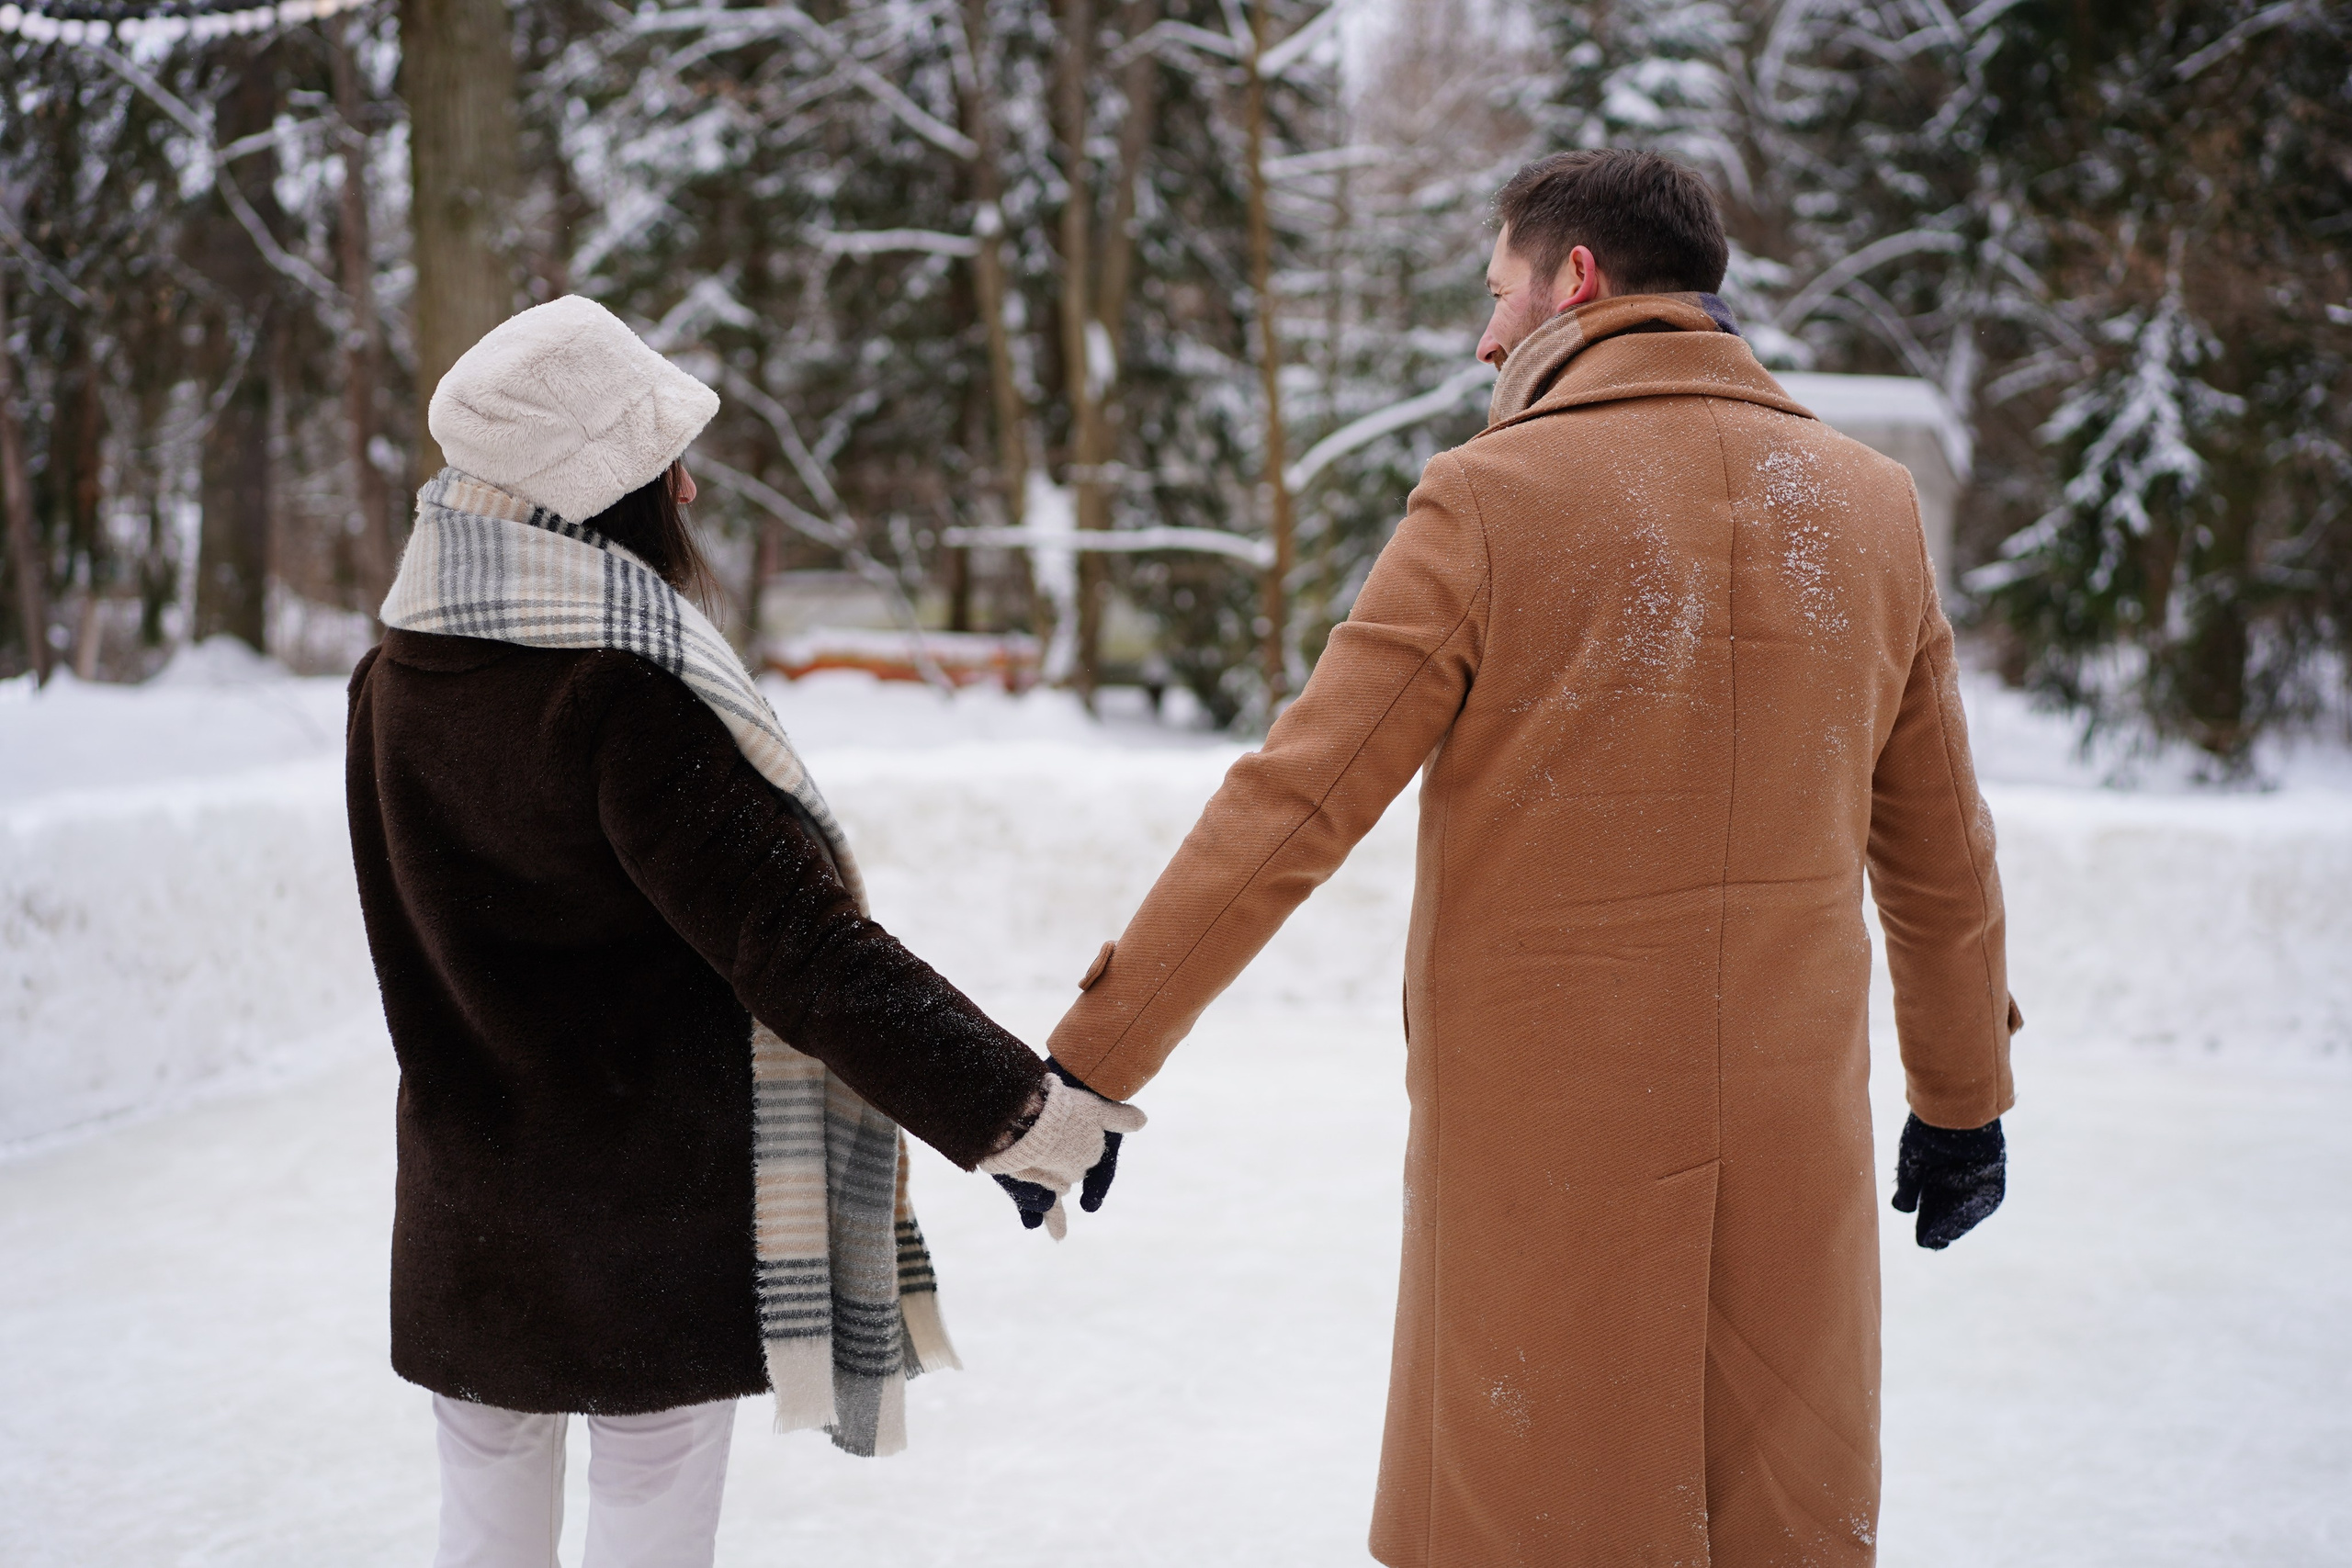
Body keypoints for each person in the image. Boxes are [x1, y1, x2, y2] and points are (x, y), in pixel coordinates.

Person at [1044, 149, 2018, 1568]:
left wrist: (1091, 1065)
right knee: (1777, 1529)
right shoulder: (1870, 509)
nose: (1483, 336)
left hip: (1547, 1162)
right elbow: (1942, 855)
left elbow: (1293, 804)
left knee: (1536, 1518)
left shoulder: (1494, 499)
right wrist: (1964, 1096)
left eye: (1498, 291)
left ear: (1577, 280)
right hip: (1792, 1147)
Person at [345, 295, 1141, 1568]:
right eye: (665, 462)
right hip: (643, 1235)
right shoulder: (622, 690)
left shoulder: (396, 675)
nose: (692, 491)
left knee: (479, 1537)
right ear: (602, 490)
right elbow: (803, 951)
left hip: (468, 1220)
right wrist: (1018, 1114)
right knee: (650, 1536)